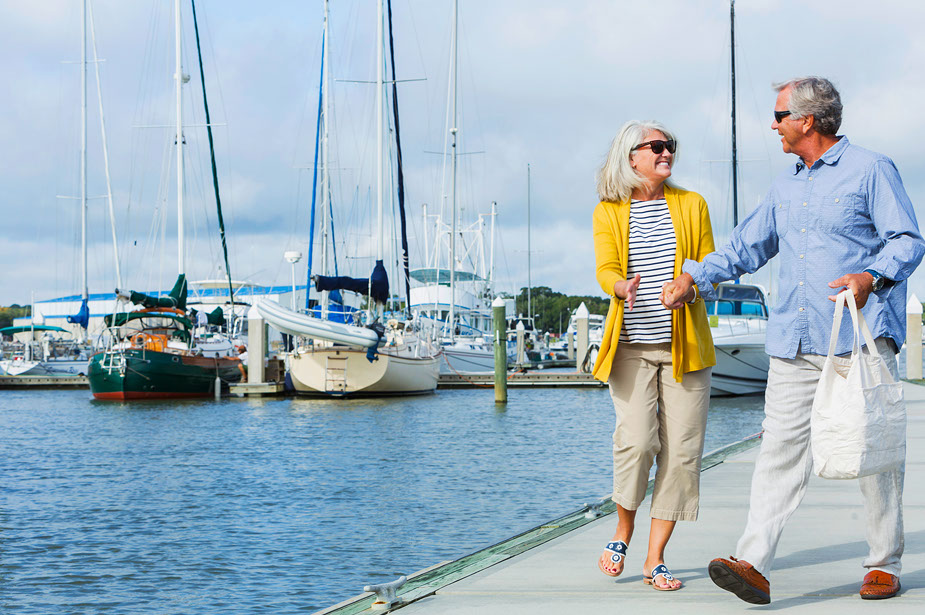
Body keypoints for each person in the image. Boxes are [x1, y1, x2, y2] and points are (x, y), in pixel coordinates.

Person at [663, 76, 925, 603]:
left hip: (859, 337)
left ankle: (883, 562)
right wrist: (696, 276)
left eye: (780, 115)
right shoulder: (785, 186)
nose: (774, 125)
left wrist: (869, 277)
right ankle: (753, 563)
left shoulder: (871, 169)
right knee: (779, 449)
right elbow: (746, 245)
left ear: (808, 120)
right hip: (792, 339)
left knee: (871, 449)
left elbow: (908, 240)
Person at [592, 120, 717, 591]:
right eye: (657, 146)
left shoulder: (692, 205)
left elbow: (708, 269)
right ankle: (622, 528)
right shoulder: (608, 210)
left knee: (683, 455)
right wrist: (619, 286)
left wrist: (689, 288)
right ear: (632, 156)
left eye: (671, 147)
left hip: (685, 351)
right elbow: (605, 266)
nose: (667, 153)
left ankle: (655, 557)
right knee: (638, 443)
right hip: (630, 349)